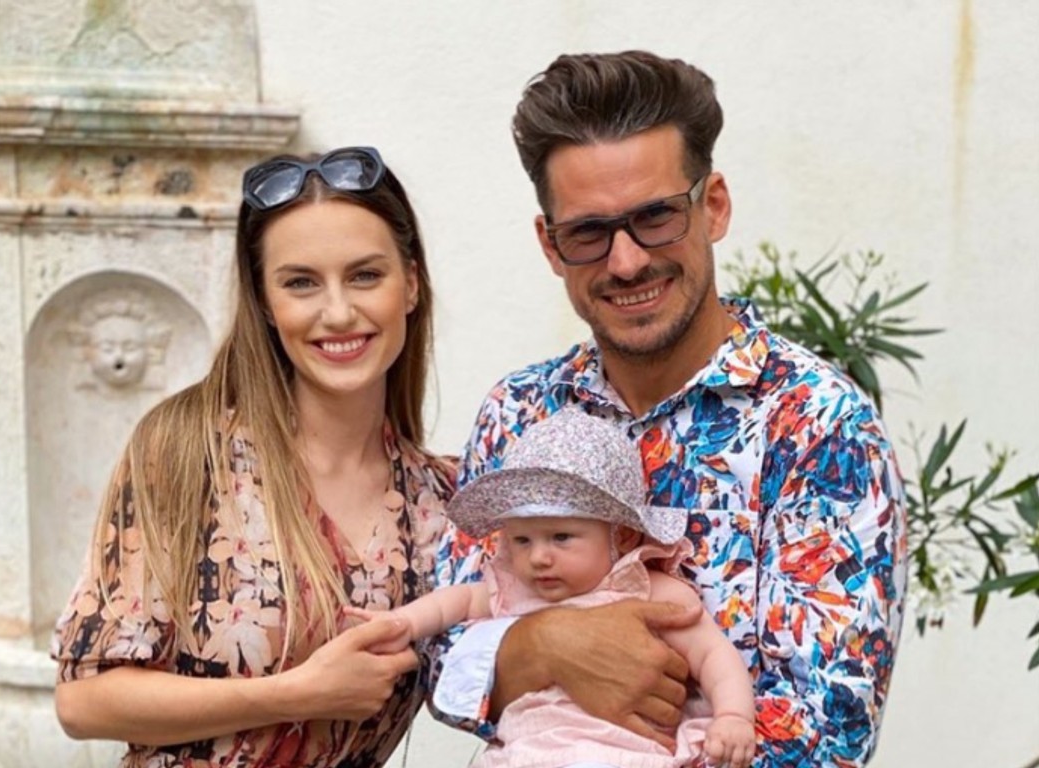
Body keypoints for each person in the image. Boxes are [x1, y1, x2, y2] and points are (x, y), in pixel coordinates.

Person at [426, 51, 907, 767]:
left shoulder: (818, 425)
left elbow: (827, 731)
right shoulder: (518, 411)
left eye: (655, 217)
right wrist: (548, 643)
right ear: (551, 245)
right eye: (589, 232)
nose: (625, 262)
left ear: (713, 206)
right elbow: (440, 667)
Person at [51, 146, 456, 767]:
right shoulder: (188, 451)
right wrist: (297, 694)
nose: (338, 312)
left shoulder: (442, 501)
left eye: (365, 276)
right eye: (301, 283)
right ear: (266, 303)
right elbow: (84, 700)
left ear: (411, 284)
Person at [350, 408, 756, 768]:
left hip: (617, 753)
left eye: (561, 537)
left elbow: (712, 654)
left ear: (623, 536)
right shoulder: (514, 587)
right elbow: (452, 602)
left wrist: (734, 716)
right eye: (522, 540)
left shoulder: (647, 589)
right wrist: (403, 623)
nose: (539, 557)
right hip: (523, 753)